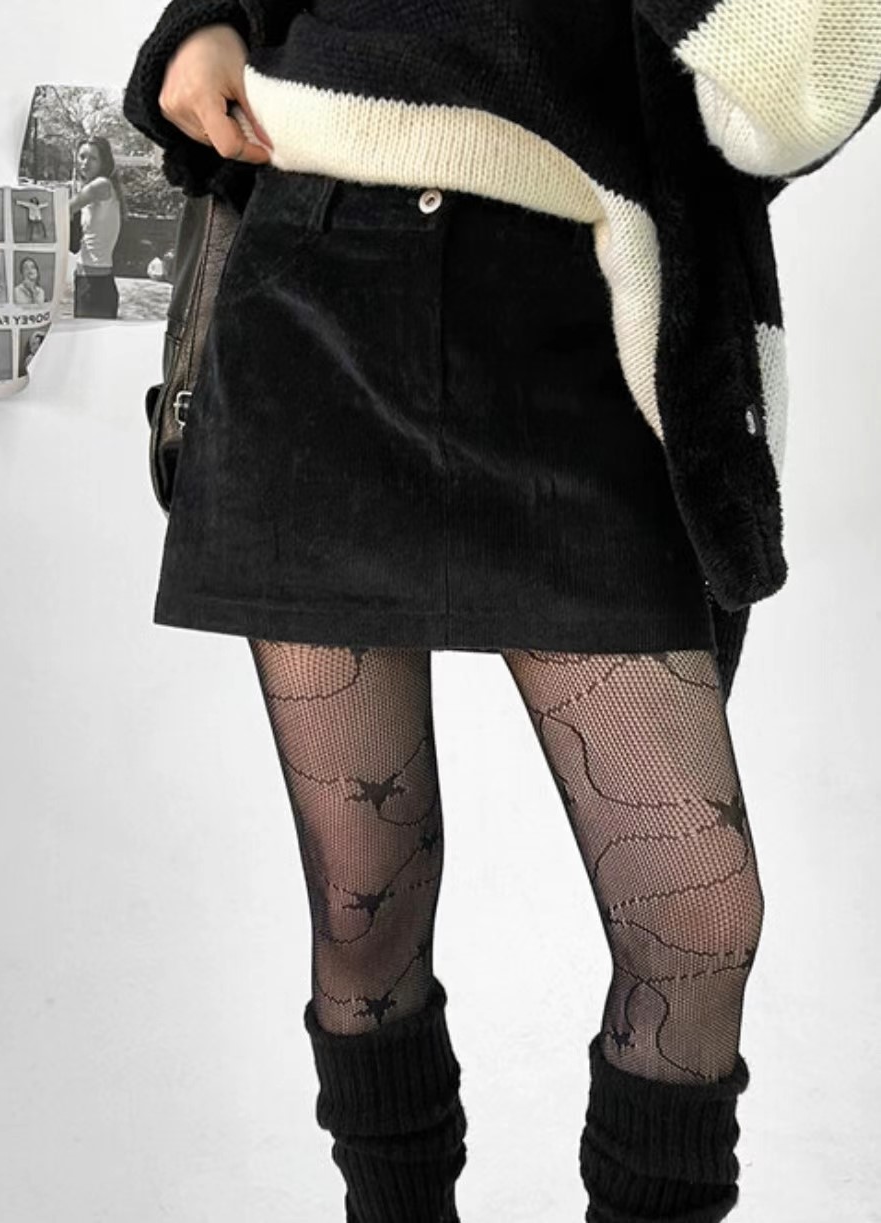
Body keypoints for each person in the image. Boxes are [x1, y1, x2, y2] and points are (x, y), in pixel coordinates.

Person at [123, 4, 881, 1221]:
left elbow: (804, 89)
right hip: (325, 274)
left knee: (697, 913)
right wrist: (207, 22)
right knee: (362, 900)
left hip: (587, 299)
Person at [68, 136, 126, 319]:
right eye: (82, 156)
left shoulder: (101, 185)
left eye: (93, 158)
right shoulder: (102, 187)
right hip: (89, 281)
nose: (85, 163)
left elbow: (63, 209)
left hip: (94, 285)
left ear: (104, 162)